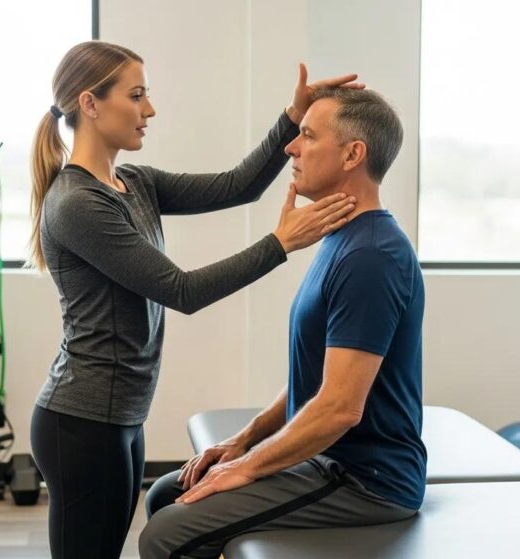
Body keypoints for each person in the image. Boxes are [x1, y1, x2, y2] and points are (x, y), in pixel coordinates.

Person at [28, 40, 364, 559]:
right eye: (136, 96)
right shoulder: (77, 203)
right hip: (82, 421)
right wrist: (281, 244)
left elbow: (238, 186)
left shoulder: (131, 182)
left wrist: (292, 116)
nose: (150, 110)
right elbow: (180, 291)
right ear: (89, 104)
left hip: (119, 415)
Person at [140, 87, 426, 559]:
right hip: (330, 458)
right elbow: (315, 379)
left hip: (365, 480)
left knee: (165, 536)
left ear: (354, 153)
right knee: (166, 495)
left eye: (308, 136)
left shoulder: (372, 255)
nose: (291, 147)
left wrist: (249, 467)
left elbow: (339, 409)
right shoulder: (341, 237)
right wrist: (245, 439)